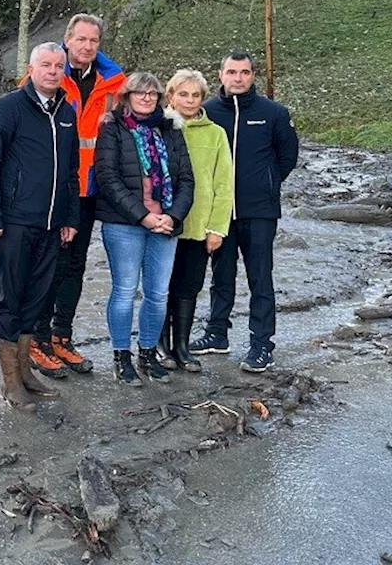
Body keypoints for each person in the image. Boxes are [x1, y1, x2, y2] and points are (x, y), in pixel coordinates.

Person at [0, 43, 80, 410]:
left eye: (58, 65)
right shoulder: (9, 108)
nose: (52, 71)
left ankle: (25, 372)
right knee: (12, 299)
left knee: (36, 300)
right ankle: (9, 383)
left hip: (51, 224)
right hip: (15, 222)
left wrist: (70, 217)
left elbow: (70, 171)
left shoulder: (66, 112)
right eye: (45, 65)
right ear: (31, 68)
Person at [29, 13, 125, 379]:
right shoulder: (50, 73)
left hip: (90, 190)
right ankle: (36, 339)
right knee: (49, 264)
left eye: (93, 41)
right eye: (81, 39)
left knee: (75, 266)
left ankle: (61, 336)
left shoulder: (111, 83)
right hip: (54, 189)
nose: (86, 46)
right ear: (67, 39)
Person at [190, 51, 299, 372]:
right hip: (220, 213)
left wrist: (267, 183)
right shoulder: (206, 112)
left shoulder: (273, 113)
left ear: (253, 76)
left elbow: (287, 155)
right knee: (221, 276)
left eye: (245, 72)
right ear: (220, 75)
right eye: (232, 72)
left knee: (260, 278)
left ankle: (262, 344)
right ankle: (217, 334)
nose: (238, 78)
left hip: (260, 212)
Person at [94, 71, 195, 386]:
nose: (147, 98)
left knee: (157, 294)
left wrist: (173, 216)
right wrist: (143, 216)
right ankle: (121, 357)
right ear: (127, 96)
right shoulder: (112, 128)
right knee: (124, 291)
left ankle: (148, 353)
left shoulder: (171, 129)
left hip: (165, 225)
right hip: (124, 223)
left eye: (152, 93)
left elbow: (187, 180)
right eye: (140, 93)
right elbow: (107, 179)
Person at [157, 69, 233, 373]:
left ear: (203, 98)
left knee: (188, 287)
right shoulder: (159, 128)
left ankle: (183, 346)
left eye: (196, 95)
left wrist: (217, 228)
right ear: (171, 96)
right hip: (162, 225)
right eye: (183, 94)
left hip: (198, 226)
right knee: (161, 287)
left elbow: (223, 185)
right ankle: (159, 345)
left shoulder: (215, 133)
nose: (189, 100)